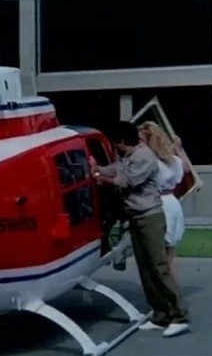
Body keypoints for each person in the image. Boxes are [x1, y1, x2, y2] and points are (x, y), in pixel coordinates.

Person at [89, 121, 190, 338]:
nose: (115, 146)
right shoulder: (127, 156)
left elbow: (126, 181)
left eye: (115, 142)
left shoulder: (144, 156)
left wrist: (98, 177)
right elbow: (115, 169)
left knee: (159, 266)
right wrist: (97, 167)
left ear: (122, 140)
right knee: (146, 269)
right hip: (136, 217)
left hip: (150, 217)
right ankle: (160, 314)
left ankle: (179, 316)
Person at [138, 122, 185, 278]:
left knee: (159, 251)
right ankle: (169, 283)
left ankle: (165, 285)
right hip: (170, 202)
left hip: (159, 203)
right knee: (168, 250)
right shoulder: (171, 160)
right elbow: (182, 172)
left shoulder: (151, 161)